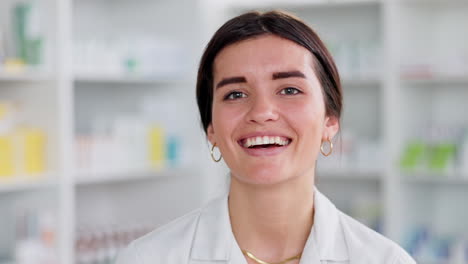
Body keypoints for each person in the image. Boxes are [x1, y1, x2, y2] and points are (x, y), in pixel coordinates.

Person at [115, 10, 416, 264]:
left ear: (330, 120)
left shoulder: (385, 259)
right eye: (235, 94)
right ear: (211, 130)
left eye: (289, 90)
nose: (261, 112)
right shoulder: (148, 257)